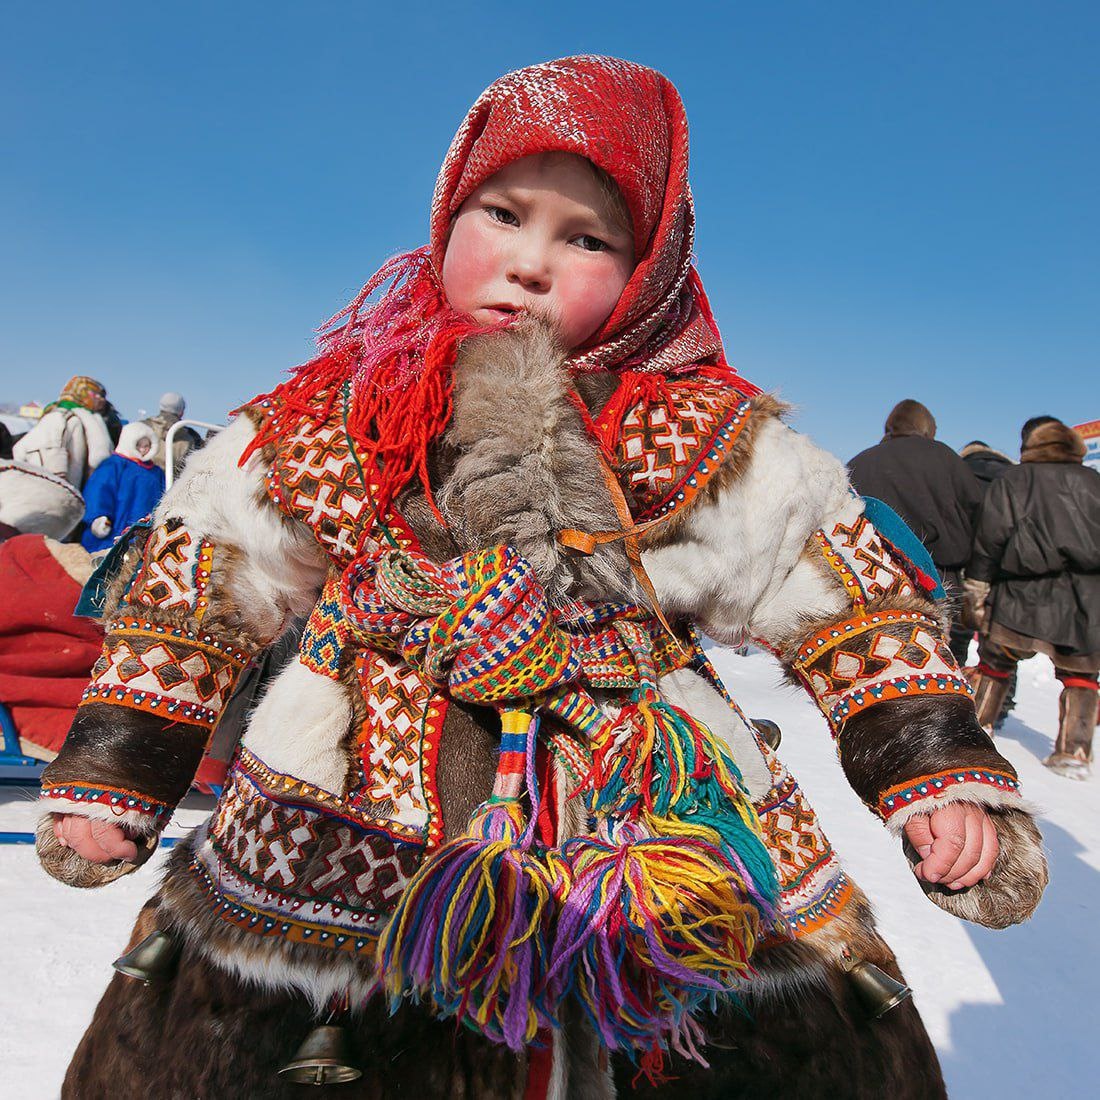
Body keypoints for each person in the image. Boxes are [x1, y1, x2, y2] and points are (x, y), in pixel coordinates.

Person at [36, 58, 1045, 1099]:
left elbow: (843, 595)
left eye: (585, 237)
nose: (529, 261)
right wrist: (127, 761)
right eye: (503, 213)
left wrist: (929, 764)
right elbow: (202, 575)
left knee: (724, 1034)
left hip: (649, 803)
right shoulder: (330, 415)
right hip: (355, 796)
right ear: (445, 215)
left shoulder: (702, 432)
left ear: (648, 264)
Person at [968, 417, 1100, 778]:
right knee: (1081, 673)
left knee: (995, 661)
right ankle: (1074, 750)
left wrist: (977, 585)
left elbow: (990, 537)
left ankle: (979, 727)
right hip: (1084, 597)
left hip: (1019, 591)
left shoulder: (1013, 480)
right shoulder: (1093, 482)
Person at [847, 399, 984, 663]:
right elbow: (977, 515)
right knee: (941, 668)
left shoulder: (860, 462)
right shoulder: (945, 458)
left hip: (872, 584)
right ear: (928, 428)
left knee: (877, 665)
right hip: (939, 584)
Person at [12, 375, 114, 490]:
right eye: (94, 394)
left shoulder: (90, 420)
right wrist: (57, 486)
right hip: (51, 491)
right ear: (81, 393)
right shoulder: (60, 417)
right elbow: (40, 450)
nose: (101, 399)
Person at [79, 422, 165, 553]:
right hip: (113, 527)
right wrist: (98, 516)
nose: (143, 449)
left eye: (146, 446)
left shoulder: (155, 472)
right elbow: (98, 491)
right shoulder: (114, 465)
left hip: (141, 531)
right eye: (139, 445)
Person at [143, 391, 202, 475]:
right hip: (174, 485)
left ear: (161, 407)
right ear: (181, 412)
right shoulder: (193, 436)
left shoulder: (143, 426)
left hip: (145, 480)